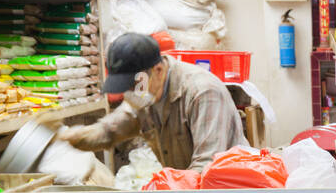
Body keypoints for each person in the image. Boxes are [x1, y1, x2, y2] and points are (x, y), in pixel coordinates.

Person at [57, 32, 244, 172]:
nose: (130, 92)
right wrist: (65, 138)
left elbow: (207, 166)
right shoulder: (144, 92)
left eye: (133, 84)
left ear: (158, 70)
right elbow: (110, 131)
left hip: (228, 192)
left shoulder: (202, 92)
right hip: (187, 190)